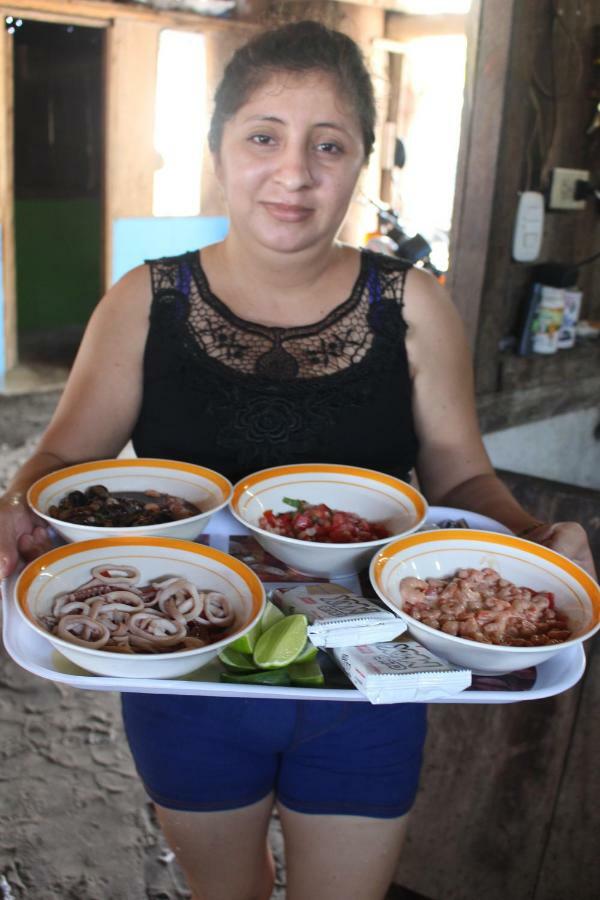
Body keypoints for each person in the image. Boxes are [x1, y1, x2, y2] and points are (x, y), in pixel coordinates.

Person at [0, 20, 595, 900]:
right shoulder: (144, 300)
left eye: (330, 144)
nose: (295, 173)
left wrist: (533, 539)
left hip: (373, 680)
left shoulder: (413, 302)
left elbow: (461, 476)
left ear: (361, 162)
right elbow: (62, 459)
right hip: (186, 667)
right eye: (263, 137)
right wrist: (17, 500)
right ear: (217, 151)